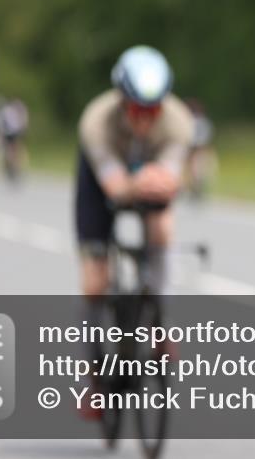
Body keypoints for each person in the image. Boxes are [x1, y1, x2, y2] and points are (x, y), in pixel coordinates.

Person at [74, 44, 196, 313]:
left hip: (149, 182)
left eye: (152, 111)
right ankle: (92, 343)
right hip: (100, 183)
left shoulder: (180, 122)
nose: (144, 120)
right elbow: (115, 188)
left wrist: (161, 182)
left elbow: (169, 180)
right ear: (121, 101)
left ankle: (162, 317)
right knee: (95, 282)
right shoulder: (96, 121)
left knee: (162, 229)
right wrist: (136, 182)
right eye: (136, 110)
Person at [0, 96, 29, 182]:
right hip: (15, 132)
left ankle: (13, 167)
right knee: (15, 150)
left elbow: (1, 125)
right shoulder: (16, 109)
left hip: (9, 133)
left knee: (8, 150)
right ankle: (16, 167)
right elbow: (22, 123)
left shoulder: (4, 110)